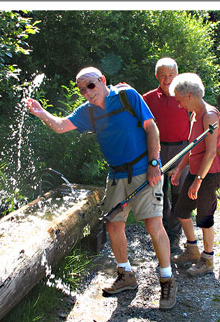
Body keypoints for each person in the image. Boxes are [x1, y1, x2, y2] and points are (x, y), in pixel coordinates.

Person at [26, 67, 176, 309]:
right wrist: (42, 112)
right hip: (116, 174)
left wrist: (154, 163)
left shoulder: (128, 97)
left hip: (144, 169)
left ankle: (167, 279)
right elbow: (61, 126)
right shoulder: (88, 112)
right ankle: (126, 275)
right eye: (82, 89)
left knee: (153, 224)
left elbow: (152, 129)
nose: (87, 92)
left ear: (103, 81)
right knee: (114, 224)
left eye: (91, 86)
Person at [169, 73, 220, 276]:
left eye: (180, 100)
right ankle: (192, 251)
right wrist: (180, 168)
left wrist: (198, 181)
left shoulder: (209, 116)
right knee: (181, 211)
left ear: (190, 95)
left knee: (204, 216)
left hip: (209, 174)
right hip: (195, 172)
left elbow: (210, 152)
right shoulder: (194, 115)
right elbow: (192, 147)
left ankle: (207, 260)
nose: (179, 105)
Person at [142, 58, 190, 251]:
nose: (167, 79)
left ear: (177, 75)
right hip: (158, 151)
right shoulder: (147, 98)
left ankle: (176, 232)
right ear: (156, 76)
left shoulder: (186, 95)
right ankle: (163, 233)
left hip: (182, 150)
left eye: (170, 75)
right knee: (159, 194)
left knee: (179, 193)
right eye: (163, 75)